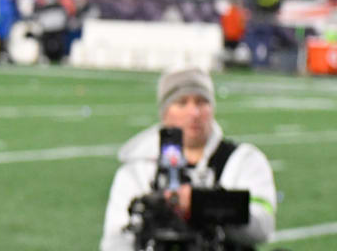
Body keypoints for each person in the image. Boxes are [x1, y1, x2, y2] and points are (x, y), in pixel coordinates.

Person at [100, 67, 277, 251]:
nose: (194, 113)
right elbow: (116, 242)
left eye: (201, 102)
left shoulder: (243, 160)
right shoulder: (137, 169)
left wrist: (204, 204)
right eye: (182, 102)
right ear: (165, 111)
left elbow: (263, 226)